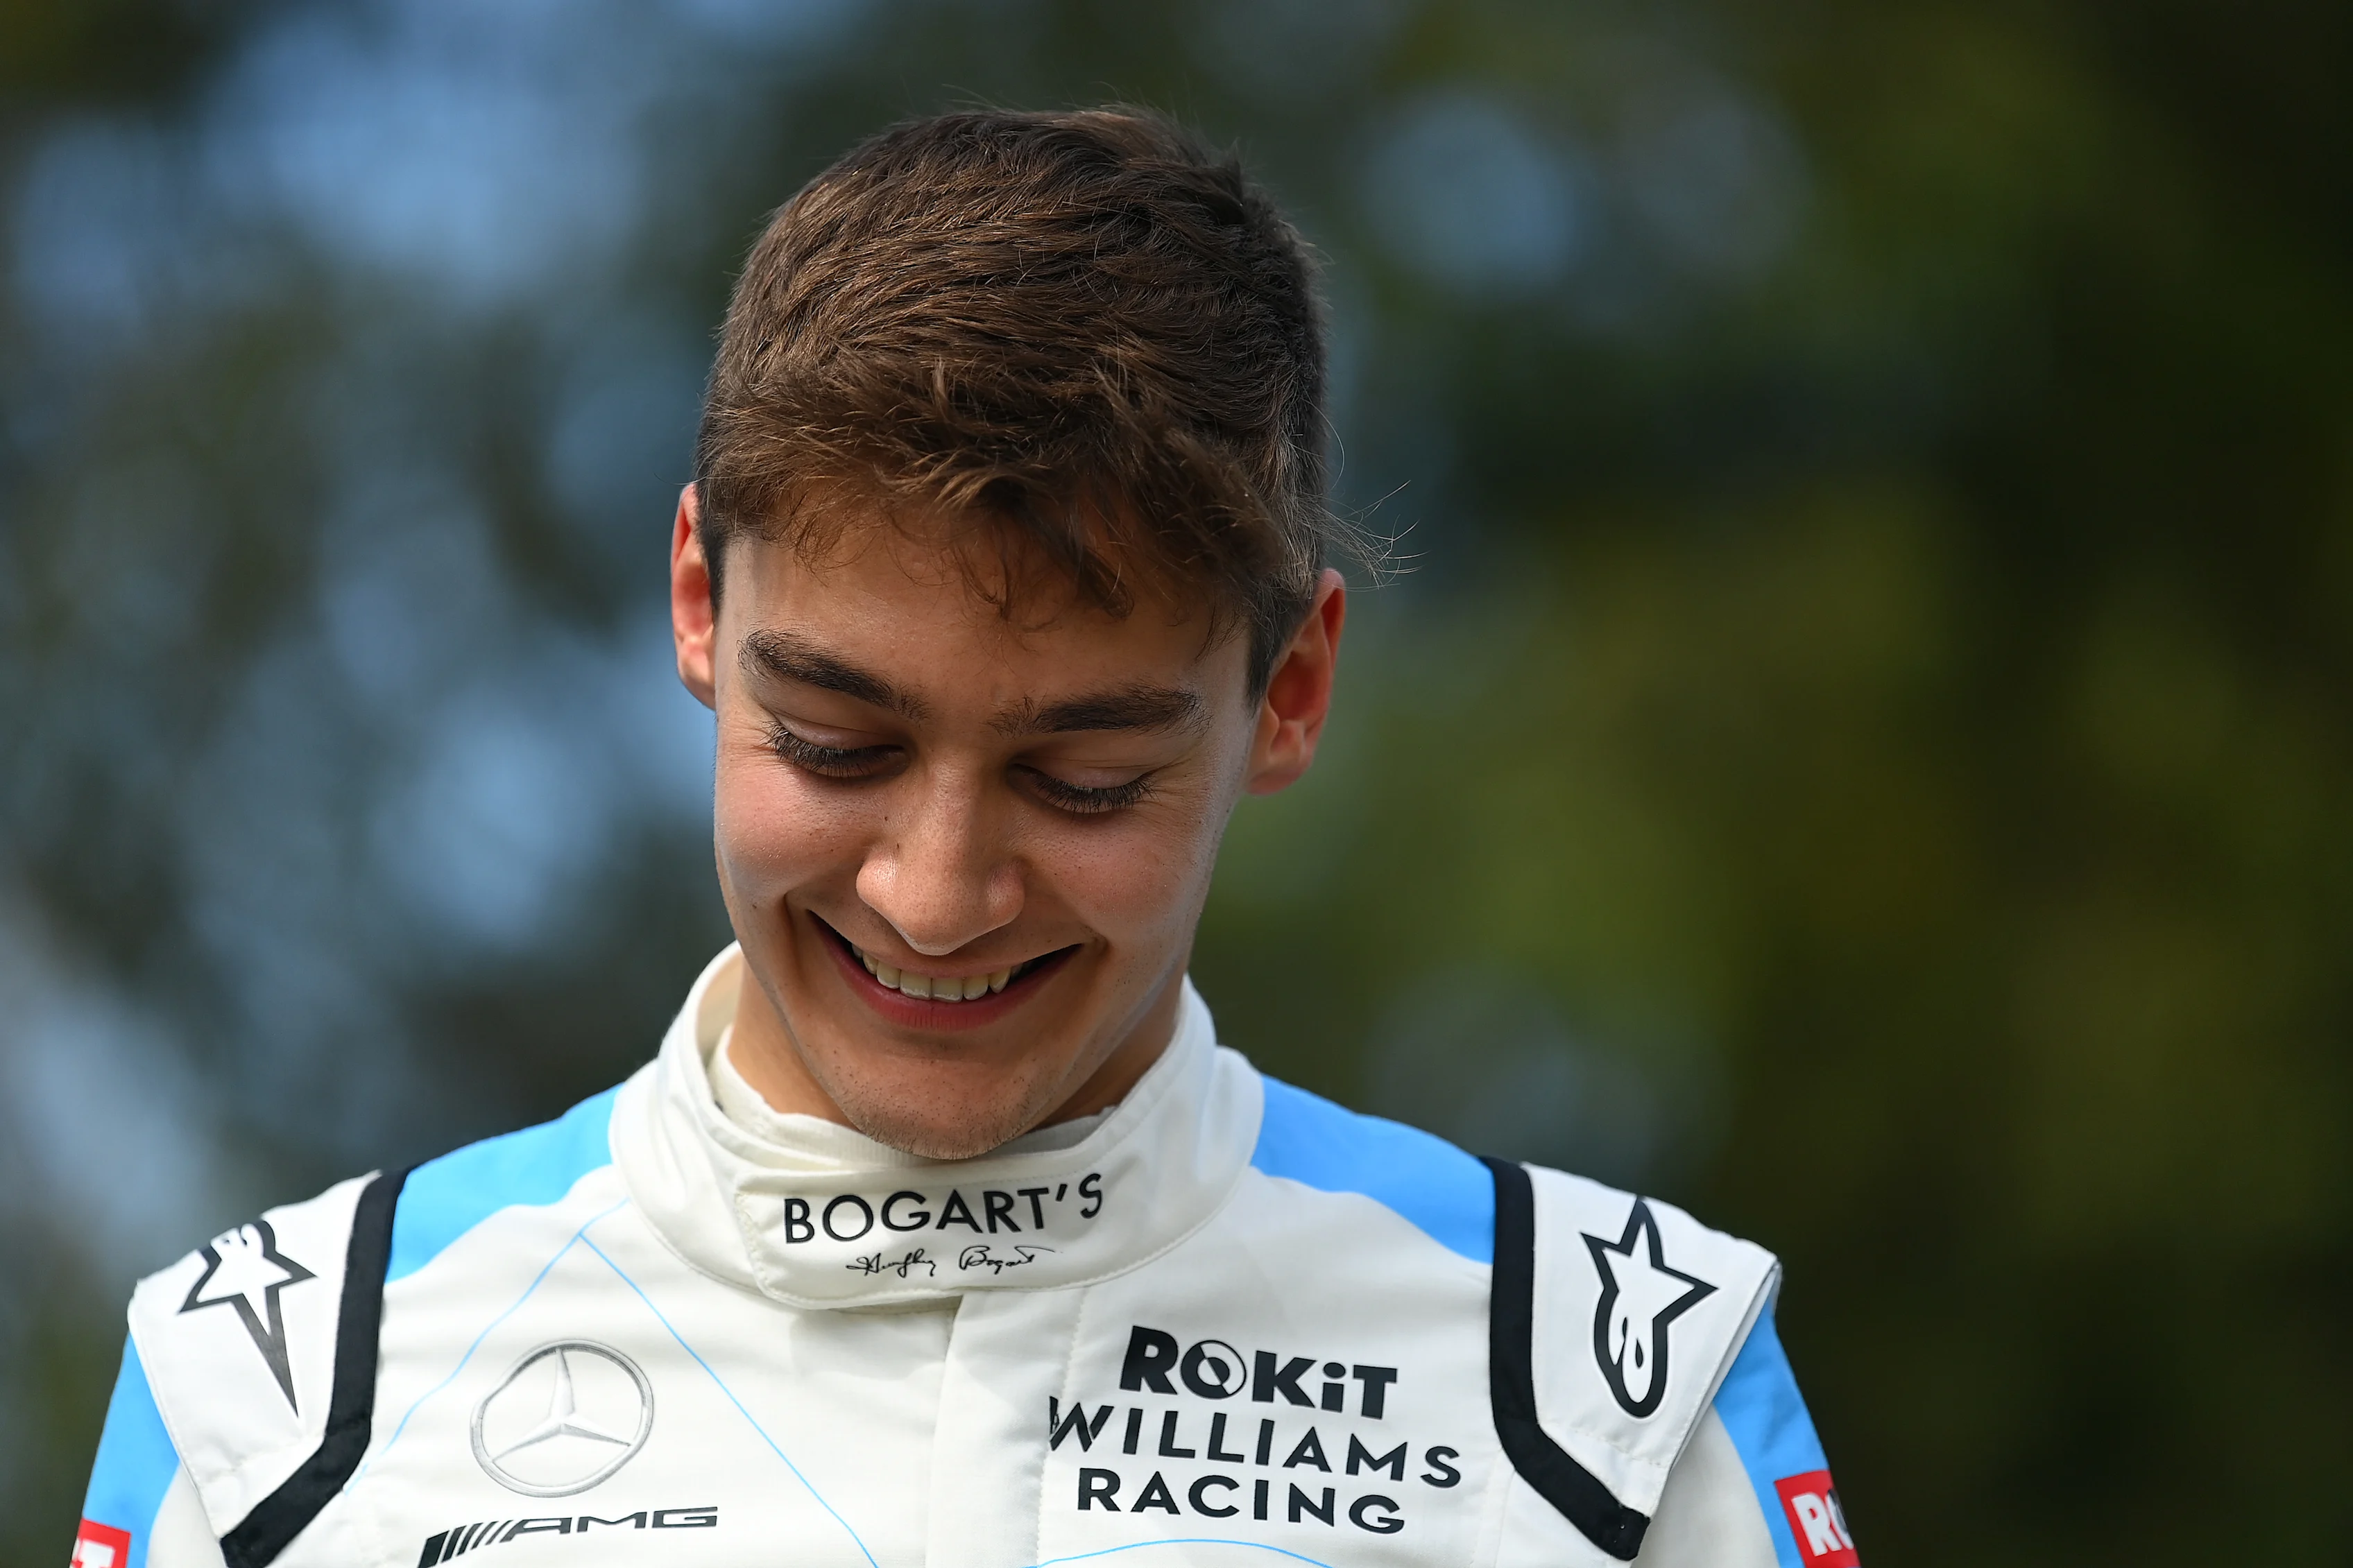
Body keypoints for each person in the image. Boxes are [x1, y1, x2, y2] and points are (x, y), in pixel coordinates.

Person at [72, 108, 1857, 1568]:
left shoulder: (1599, 1389)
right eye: (836, 742)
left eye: (1083, 778)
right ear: (697, 600)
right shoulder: (287, 1396)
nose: (933, 893)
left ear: (1289, 690)